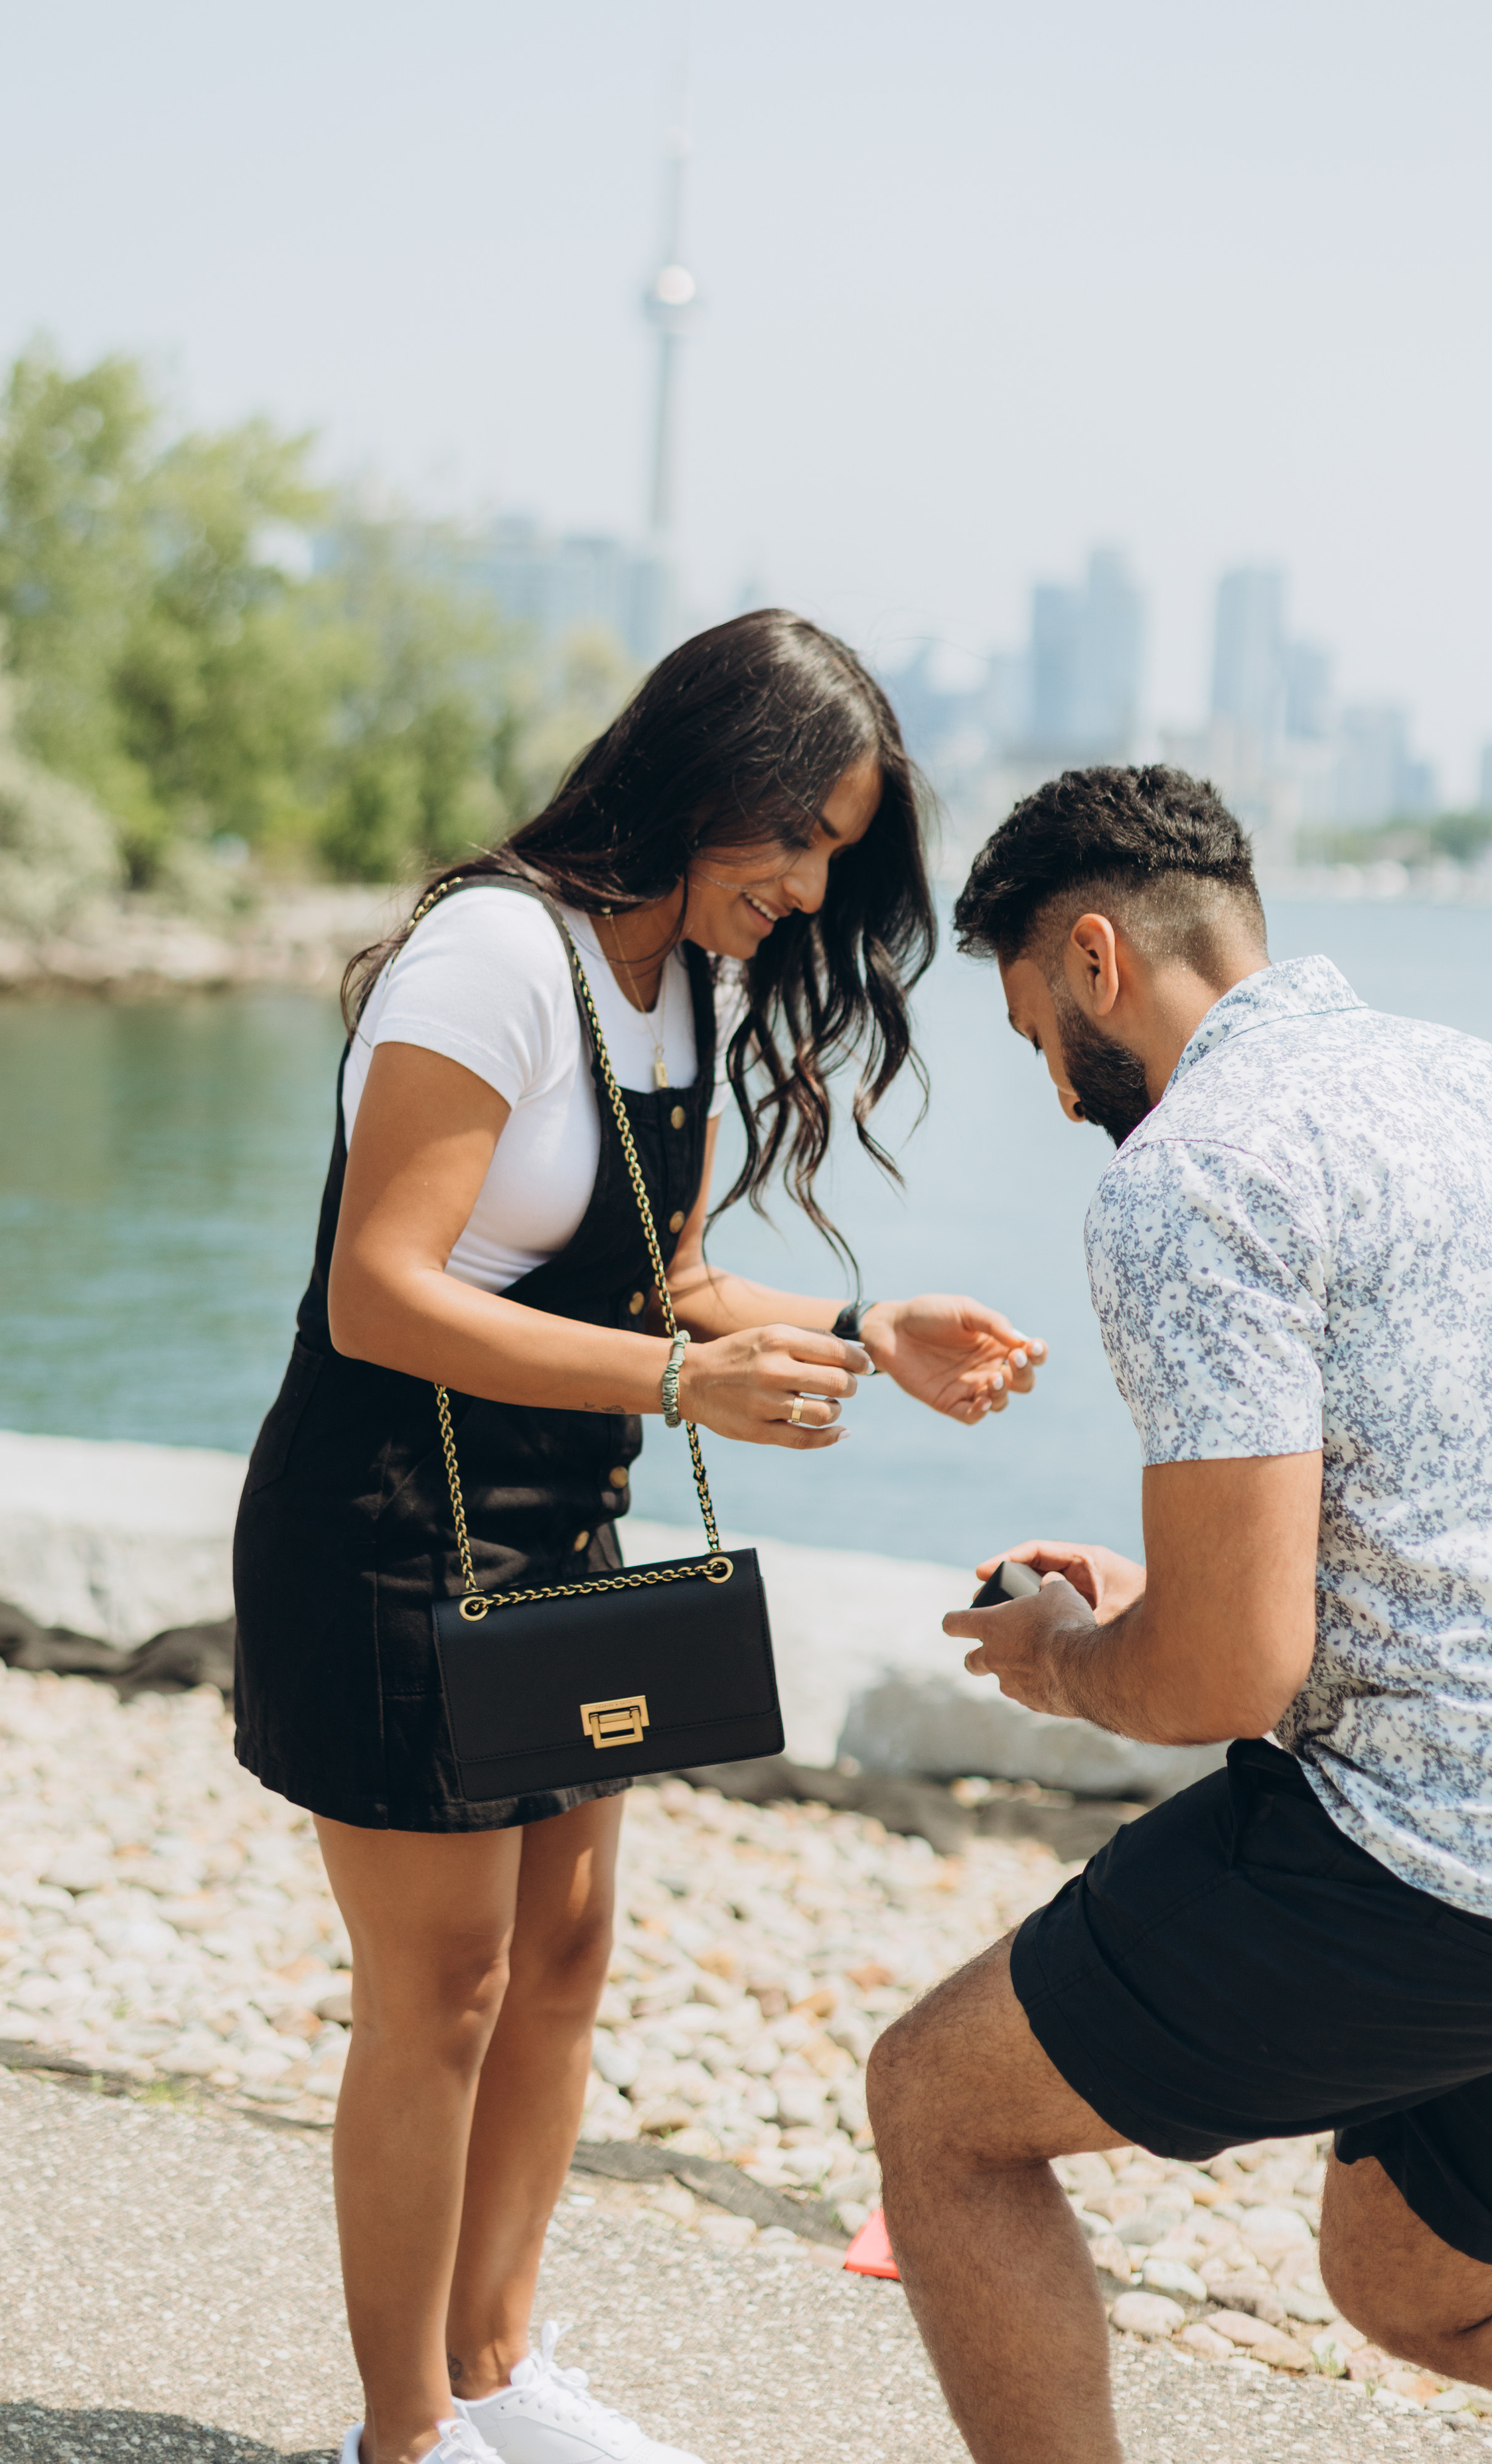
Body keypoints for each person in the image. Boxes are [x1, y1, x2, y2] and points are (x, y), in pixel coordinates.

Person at [232, 609, 1047, 2464]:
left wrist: (855, 1334)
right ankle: (405, 2434)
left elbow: (659, 1276)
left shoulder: (685, 976)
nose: (815, 885)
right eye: (806, 838)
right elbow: (379, 1295)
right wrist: (685, 1393)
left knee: (564, 1963)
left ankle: (501, 2374)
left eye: (843, 855)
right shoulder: (493, 957)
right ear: (714, 782)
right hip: (384, 1528)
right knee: (439, 1990)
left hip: (563, 1522)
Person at [865, 763, 1492, 2464]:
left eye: (1033, 1035)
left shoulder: (1192, 1173)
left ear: (1091, 959)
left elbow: (1219, 1679)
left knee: (939, 2109)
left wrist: (1065, 1662)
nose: (1056, 1091)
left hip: (1444, 1860)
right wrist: (1175, 1603)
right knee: (1418, 2282)